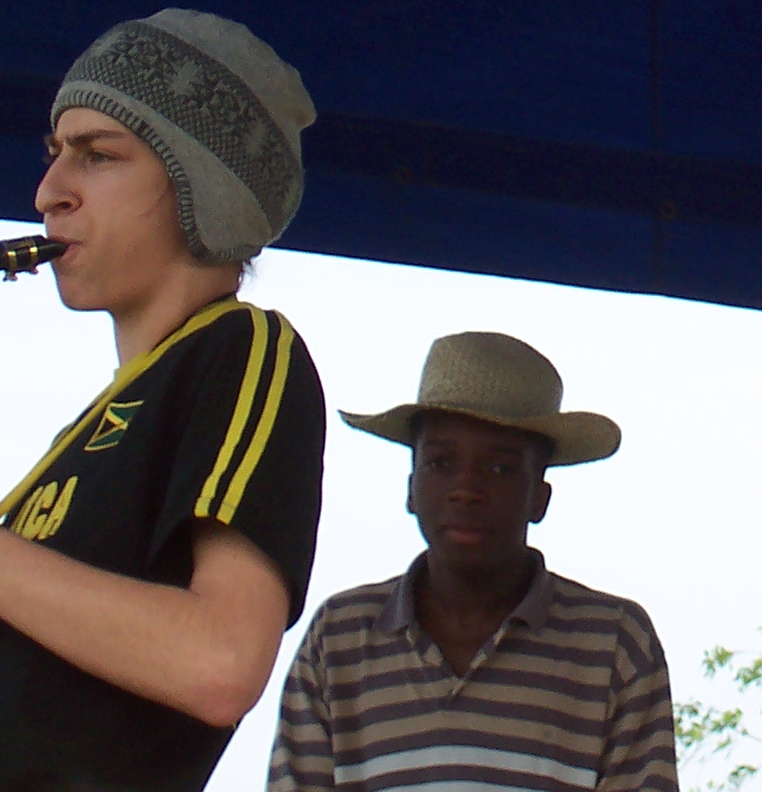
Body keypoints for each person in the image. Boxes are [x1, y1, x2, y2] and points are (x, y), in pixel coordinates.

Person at [0, 10, 326, 792]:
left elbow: (220, 662)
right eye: (54, 154)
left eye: (97, 156)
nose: (47, 193)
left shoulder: (244, 347)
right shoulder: (93, 430)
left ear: (204, 189)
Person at [269, 331, 676, 792]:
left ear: (539, 498)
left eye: (500, 469)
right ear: (411, 487)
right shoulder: (339, 639)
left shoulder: (614, 645)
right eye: (441, 463)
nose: (466, 490)